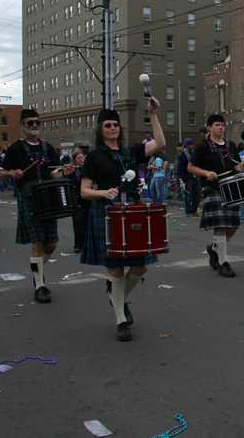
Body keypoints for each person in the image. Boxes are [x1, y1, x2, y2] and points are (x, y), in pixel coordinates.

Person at [79, 104, 165, 341]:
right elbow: (85, 191)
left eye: (116, 125)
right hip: (107, 212)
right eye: (108, 125)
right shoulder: (93, 156)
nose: (113, 128)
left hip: (132, 211)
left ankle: (116, 297)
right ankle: (120, 319)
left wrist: (153, 115)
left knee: (141, 267)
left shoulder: (130, 151)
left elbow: (159, 143)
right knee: (115, 268)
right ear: (100, 129)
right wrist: (103, 193)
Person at [0, 109, 75, 303]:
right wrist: (11, 174)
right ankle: (40, 285)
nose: (34, 125)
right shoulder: (15, 149)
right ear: (22, 125)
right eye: (30, 122)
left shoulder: (48, 148)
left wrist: (65, 172)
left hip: (48, 199)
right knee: (37, 243)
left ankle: (36, 270)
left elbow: (54, 175)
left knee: (51, 244)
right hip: (29, 198)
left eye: (37, 122)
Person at [188, 115, 244, 277]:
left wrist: (240, 168)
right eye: (217, 125)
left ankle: (214, 248)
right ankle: (224, 263)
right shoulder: (203, 147)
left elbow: (233, 166)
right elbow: (191, 167)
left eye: (222, 125)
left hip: (231, 189)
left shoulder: (231, 146)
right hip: (212, 189)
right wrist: (206, 172)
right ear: (209, 128)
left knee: (233, 226)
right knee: (220, 225)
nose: (220, 127)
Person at [66, 149, 91, 253]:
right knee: (78, 222)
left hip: (87, 198)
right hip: (75, 199)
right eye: (78, 158)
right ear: (74, 160)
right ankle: (78, 244)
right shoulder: (72, 171)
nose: (81, 160)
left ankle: (86, 243)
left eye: (82, 157)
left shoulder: (88, 169)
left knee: (87, 221)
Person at [178, 138, 201, 217]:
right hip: (187, 177)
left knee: (198, 194)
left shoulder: (194, 153)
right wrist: (181, 179)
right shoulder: (182, 155)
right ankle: (187, 211)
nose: (192, 146)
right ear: (186, 145)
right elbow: (180, 168)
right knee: (188, 195)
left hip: (195, 176)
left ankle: (194, 210)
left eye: (193, 144)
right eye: (190, 145)